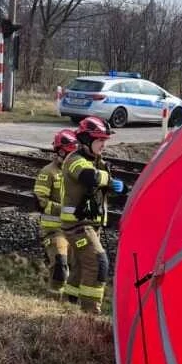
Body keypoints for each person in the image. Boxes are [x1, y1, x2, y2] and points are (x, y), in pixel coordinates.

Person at [60, 116, 127, 313]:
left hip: (91, 224)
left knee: (81, 266)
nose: (103, 145)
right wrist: (108, 179)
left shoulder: (100, 162)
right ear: (86, 140)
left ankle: (69, 306)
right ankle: (90, 313)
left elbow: (106, 186)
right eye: (100, 141)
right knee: (99, 263)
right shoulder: (74, 160)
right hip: (78, 225)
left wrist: (121, 187)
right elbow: (89, 177)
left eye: (105, 141)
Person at [34, 129, 77, 299]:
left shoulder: (76, 171)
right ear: (60, 152)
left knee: (78, 269)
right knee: (60, 266)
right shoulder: (48, 172)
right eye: (69, 153)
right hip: (54, 230)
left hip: (75, 229)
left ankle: (71, 304)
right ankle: (53, 302)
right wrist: (65, 209)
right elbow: (40, 202)